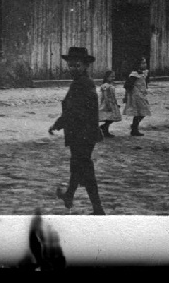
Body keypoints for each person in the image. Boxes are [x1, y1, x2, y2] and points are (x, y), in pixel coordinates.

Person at [48, 46, 105, 215]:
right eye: (70, 65)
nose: (73, 68)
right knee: (77, 166)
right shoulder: (81, 83)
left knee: (85, 169)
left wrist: (58, 124)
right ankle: (70, 195)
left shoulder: (83, 84)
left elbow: (74, 111)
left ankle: (98, 209)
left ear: (86, 66)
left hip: (82, 134)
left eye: (77, 65)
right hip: (82, 133)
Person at [123, 56, 151, 136]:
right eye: (142, 63)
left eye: (145, 63)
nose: (145, 65)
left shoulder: (144, 73)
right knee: (141, 111)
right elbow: (127, 85)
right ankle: (134, 128)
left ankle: (134, 126)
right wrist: (126, 96)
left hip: (142, 94)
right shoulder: (134, 74)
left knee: (142, 111)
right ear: (138, 64)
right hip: (136, 95)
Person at [98, 70, 122, 138]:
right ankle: (105, 130)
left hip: (112, 102)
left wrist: (116, 103)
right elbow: (105, 95)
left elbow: (113, 95)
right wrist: (108, 104)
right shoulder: (105, 85)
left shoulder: (111, 85)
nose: (113, 78)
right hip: (107, 103)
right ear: (106, 77)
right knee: (108, 117)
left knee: (111, 117)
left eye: (114, 76)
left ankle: (105, 128)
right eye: (111, 77)